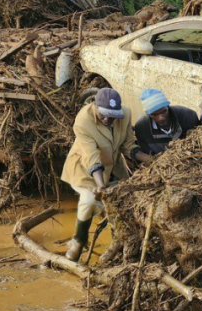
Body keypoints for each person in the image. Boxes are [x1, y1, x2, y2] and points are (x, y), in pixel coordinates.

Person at [61, 88, 149, 261]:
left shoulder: (125, 113)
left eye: (113, 116)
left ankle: (118, 243)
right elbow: (92, 157)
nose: (108, 120)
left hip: (113, 167)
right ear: (95, 107)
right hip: (86, 168)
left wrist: (150, 159)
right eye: (104, 116)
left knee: (124, 202)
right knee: (89, 200)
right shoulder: (83, 121)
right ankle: (78, 241)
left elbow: (128, 145)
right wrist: (101, 186)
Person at [133, 88, 200, 156]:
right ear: (148, 114)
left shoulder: (188, 116)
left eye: (164, 111)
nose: (160, 118)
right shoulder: (141, 129)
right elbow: (148, 156)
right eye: (154, 114)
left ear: (168, 106)